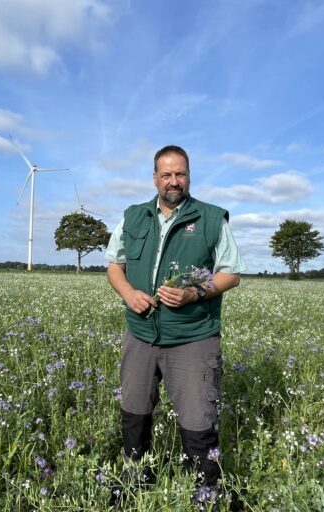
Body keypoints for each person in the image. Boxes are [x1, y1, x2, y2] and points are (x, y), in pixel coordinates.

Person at [105, 145, 245, 504]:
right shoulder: (133, 217)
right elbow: (114, 264)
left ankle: (206, 494)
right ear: (154, 178)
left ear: (189, 176)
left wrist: (194, 294)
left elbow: (231, 274)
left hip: (193, 337)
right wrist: (129, 294)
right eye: (166, 175)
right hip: (141, 332)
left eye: (180, 174)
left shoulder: (211, 218)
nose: (173, 181)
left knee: (199, 419)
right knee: (134, 411)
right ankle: (136, 481)